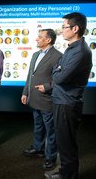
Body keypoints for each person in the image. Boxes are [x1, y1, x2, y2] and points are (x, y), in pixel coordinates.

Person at [45, 12, 92, 179]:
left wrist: (58, 71)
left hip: (67, 103)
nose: (61, 30)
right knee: (63, 141)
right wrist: (58, 70)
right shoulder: (72, 48)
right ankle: (65, 171)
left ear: (75, 28)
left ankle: (68, 176)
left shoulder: (79, 51)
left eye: (64, 27)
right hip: (62, 100)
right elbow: (58, 69)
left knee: (67, 143)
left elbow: (59, 77)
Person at [21, 29, 62, 171]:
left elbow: (60, 79)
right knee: (38, 126)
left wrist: (46, 86)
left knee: (51, 131)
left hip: (47, 99)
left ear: (48, 40)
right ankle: (38, 149)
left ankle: (50, 157)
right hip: (34, 98)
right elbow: (30, 76)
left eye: (40, 37)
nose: (37, 39)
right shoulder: (35, 54)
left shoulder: (58, 56)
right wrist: (25, 92)